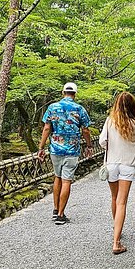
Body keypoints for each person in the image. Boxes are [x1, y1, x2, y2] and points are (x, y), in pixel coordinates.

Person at [38, 82, 93, 225]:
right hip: (72, 149)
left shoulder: (52, 107)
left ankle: (56, 209)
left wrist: (41, 148)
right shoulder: (79, 109)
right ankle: (61, 215)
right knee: (66, 180)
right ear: (74, 94)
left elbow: (46, 128)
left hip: (55, 148)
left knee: (57, 177)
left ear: (63, 93)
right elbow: (85, 130)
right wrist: (89, 145)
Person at [99, 91, 135, 255]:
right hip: (127, 165)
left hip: (111, 164)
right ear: (133, 106)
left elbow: (102, 141)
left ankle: (116, 229)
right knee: (122, 202)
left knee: (114, 198)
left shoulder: (110, 121)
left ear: (117, 104)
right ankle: (116, 242)